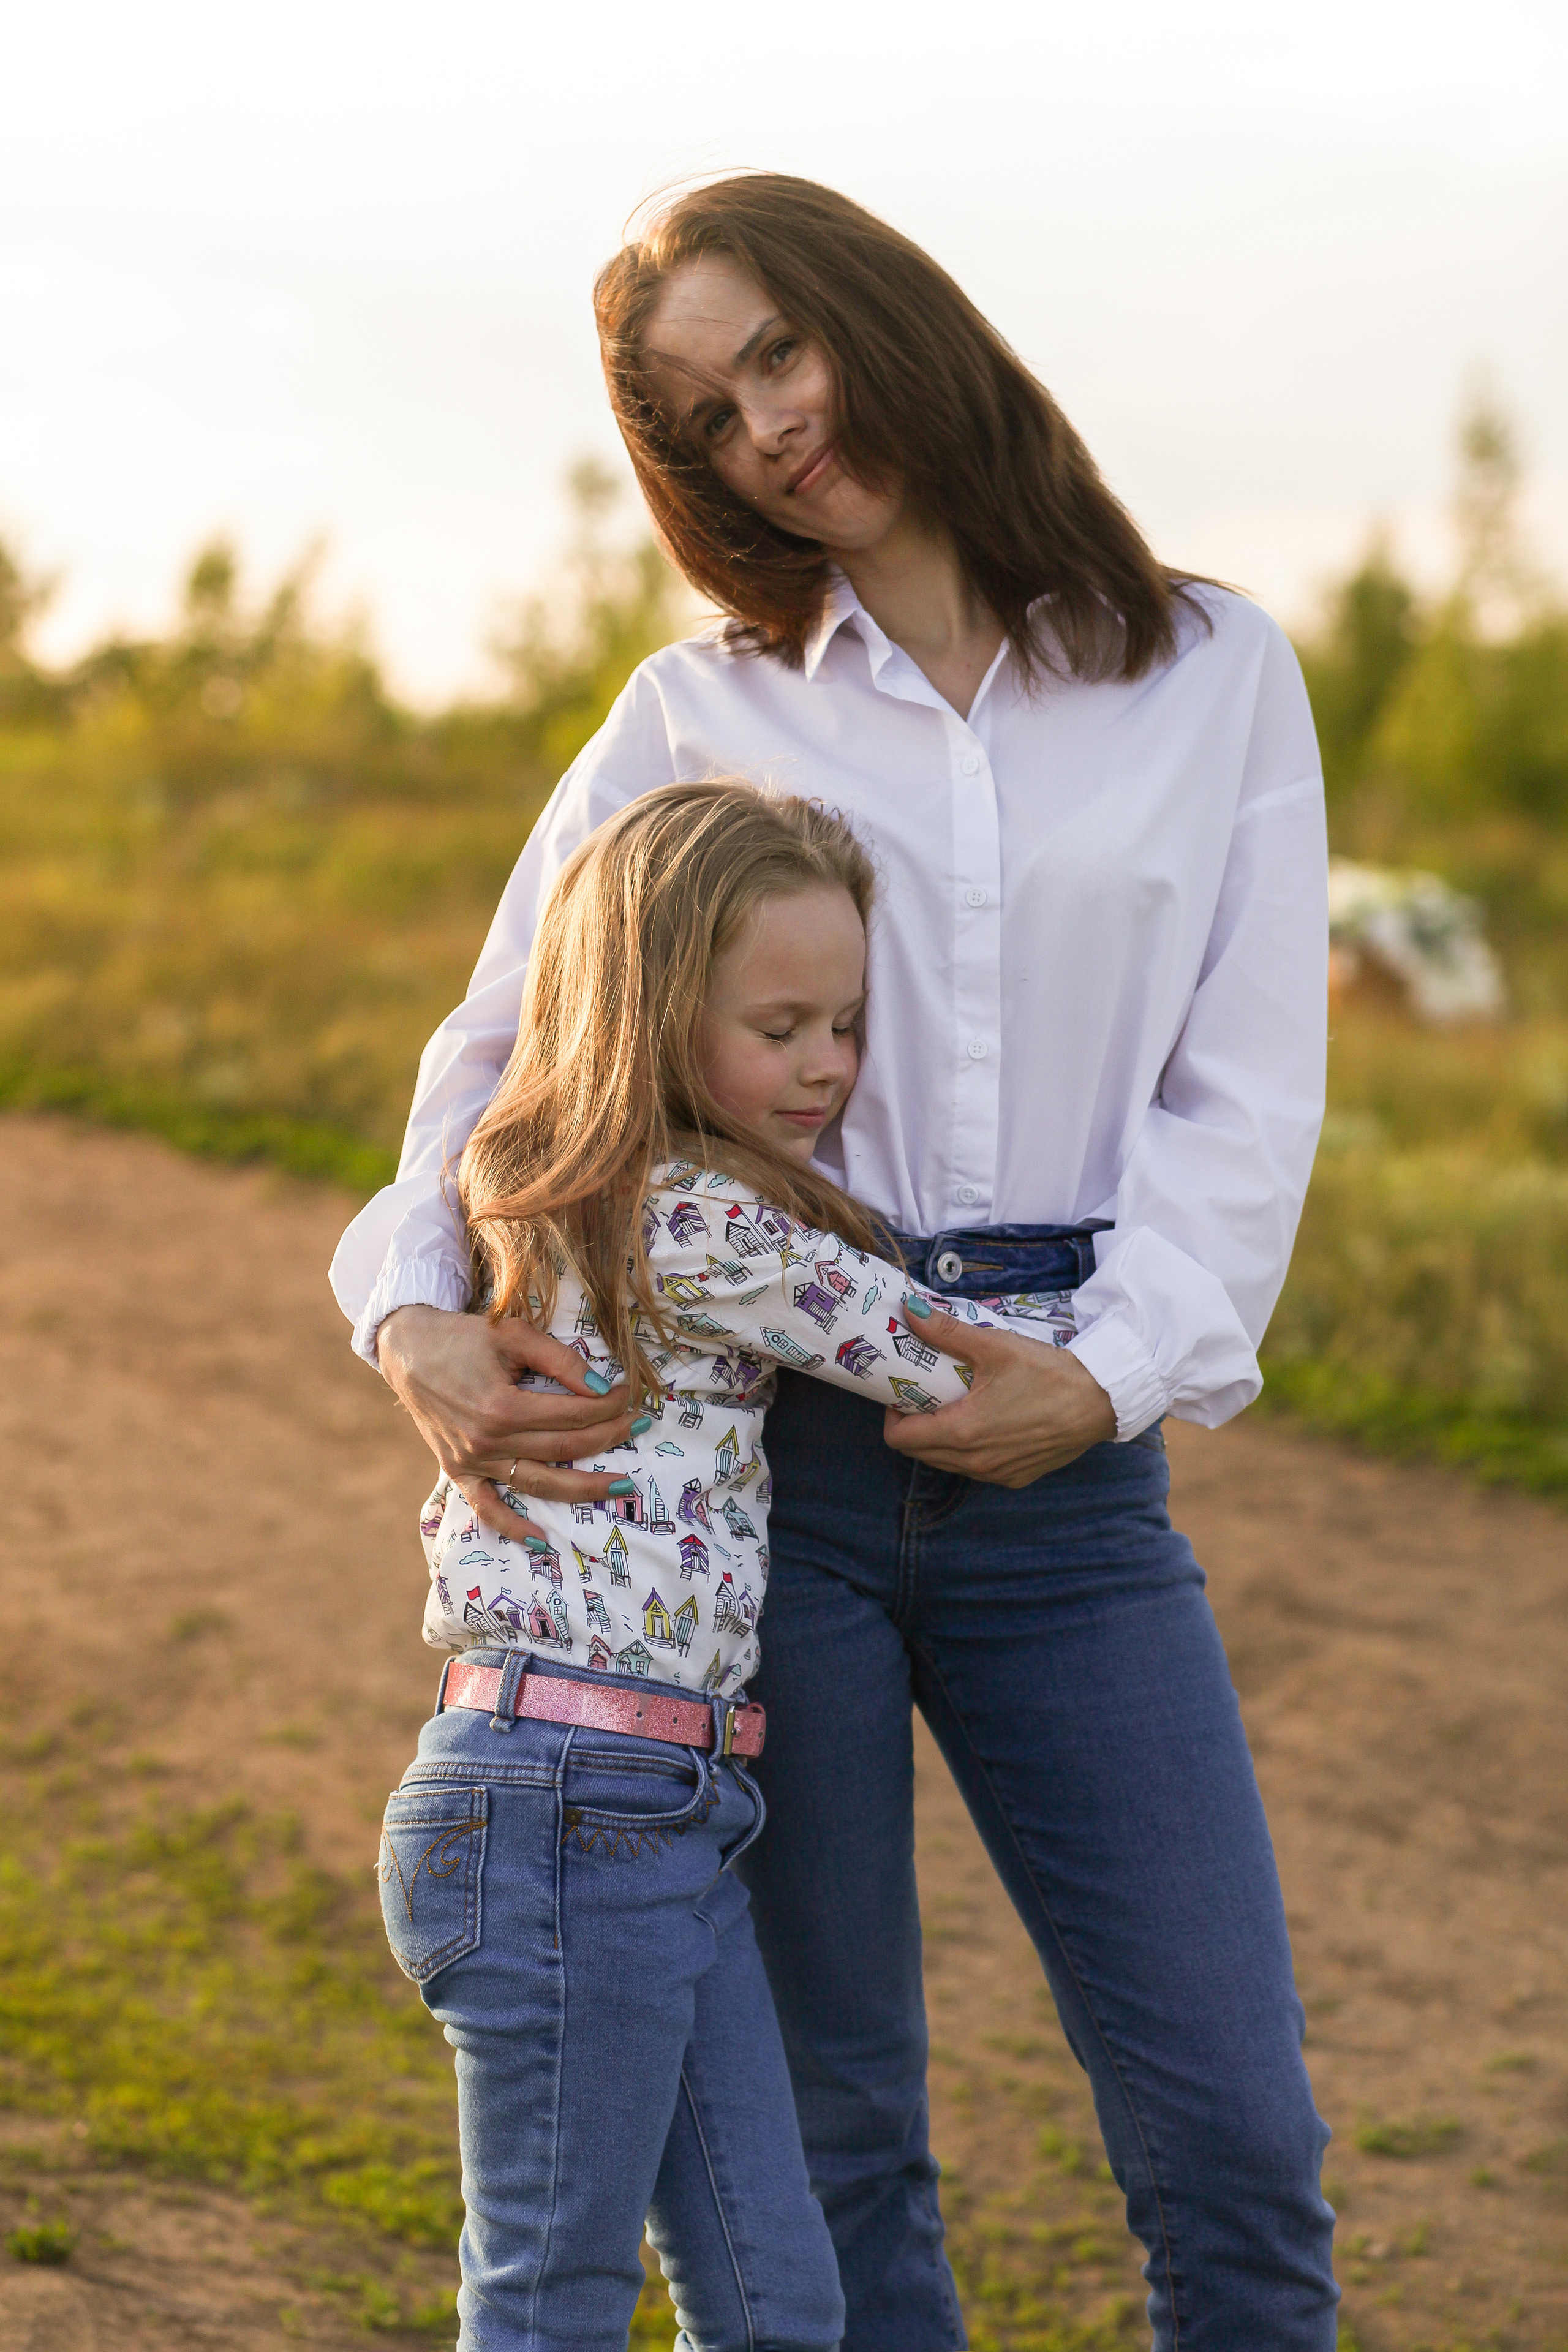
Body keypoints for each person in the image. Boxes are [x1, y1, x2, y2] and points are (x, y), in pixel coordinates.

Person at [332, 173, 1337, 2349]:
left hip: (1069, 1472)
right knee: (840, 2145)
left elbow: (1245, 1105)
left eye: (779, 349)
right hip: (759, 1494)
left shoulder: (1211, 671)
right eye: (708, 415)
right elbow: (499, 1050)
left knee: (1237, 2137)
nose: (770, 426)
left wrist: (1118, 1366)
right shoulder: (695, 715)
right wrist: (411, 1307)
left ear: (886, 310)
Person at [379, 778, 1071, 2350]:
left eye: (846, 1023)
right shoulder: (685, 1221)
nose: (827, 1066)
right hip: (562, 1804)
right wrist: (1139, 1333)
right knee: (549, 2300)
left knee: (776, 2310)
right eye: (780, 1028)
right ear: (644, 1011)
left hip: (664, 1814)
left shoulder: (599, 1201)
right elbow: (939, 1358)